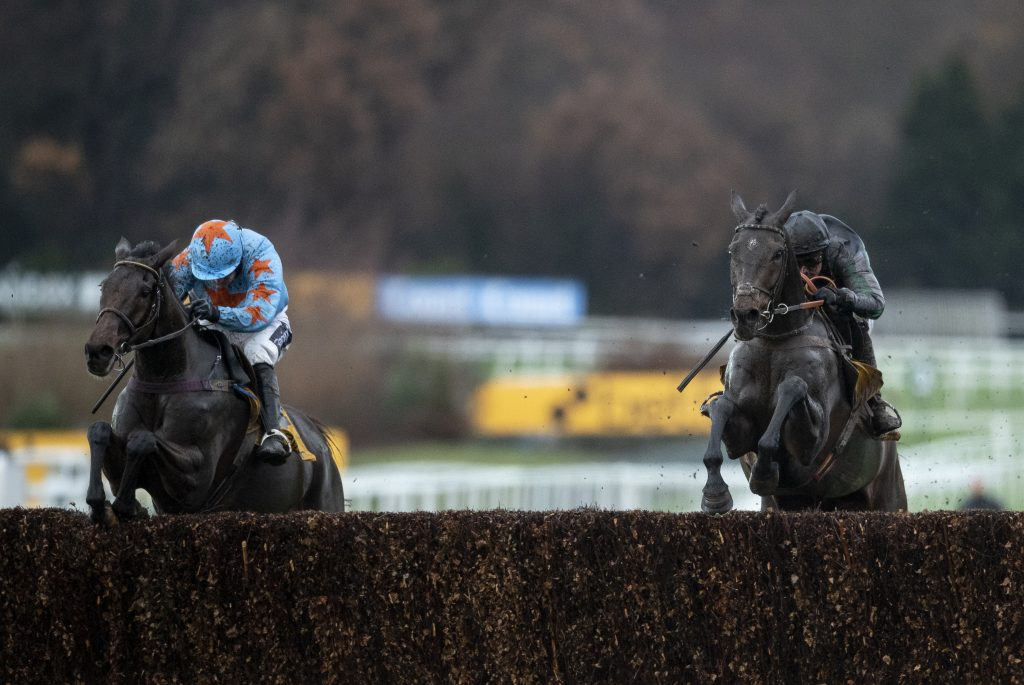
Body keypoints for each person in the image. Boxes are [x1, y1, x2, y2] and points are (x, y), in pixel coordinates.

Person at [169, 219, 293, 462]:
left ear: (238, 261)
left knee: (257, 352)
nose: (215, 283)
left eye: (222, 276)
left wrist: (217, 313)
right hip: (213, 318)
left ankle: (274, 432)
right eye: (208, 277)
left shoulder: (261, 254)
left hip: (265, 323)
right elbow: (170, 297)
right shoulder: (190, 257)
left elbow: (260, 313)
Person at [784, 210, 902, 436]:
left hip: (844, 309)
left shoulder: (843, 249)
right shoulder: (777, 250)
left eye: (809, 264)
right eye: (795, 264)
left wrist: (842, 297)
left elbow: (876, 304)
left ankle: (874, 402)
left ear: (822, 254)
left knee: (852, 318)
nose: (802, 273)